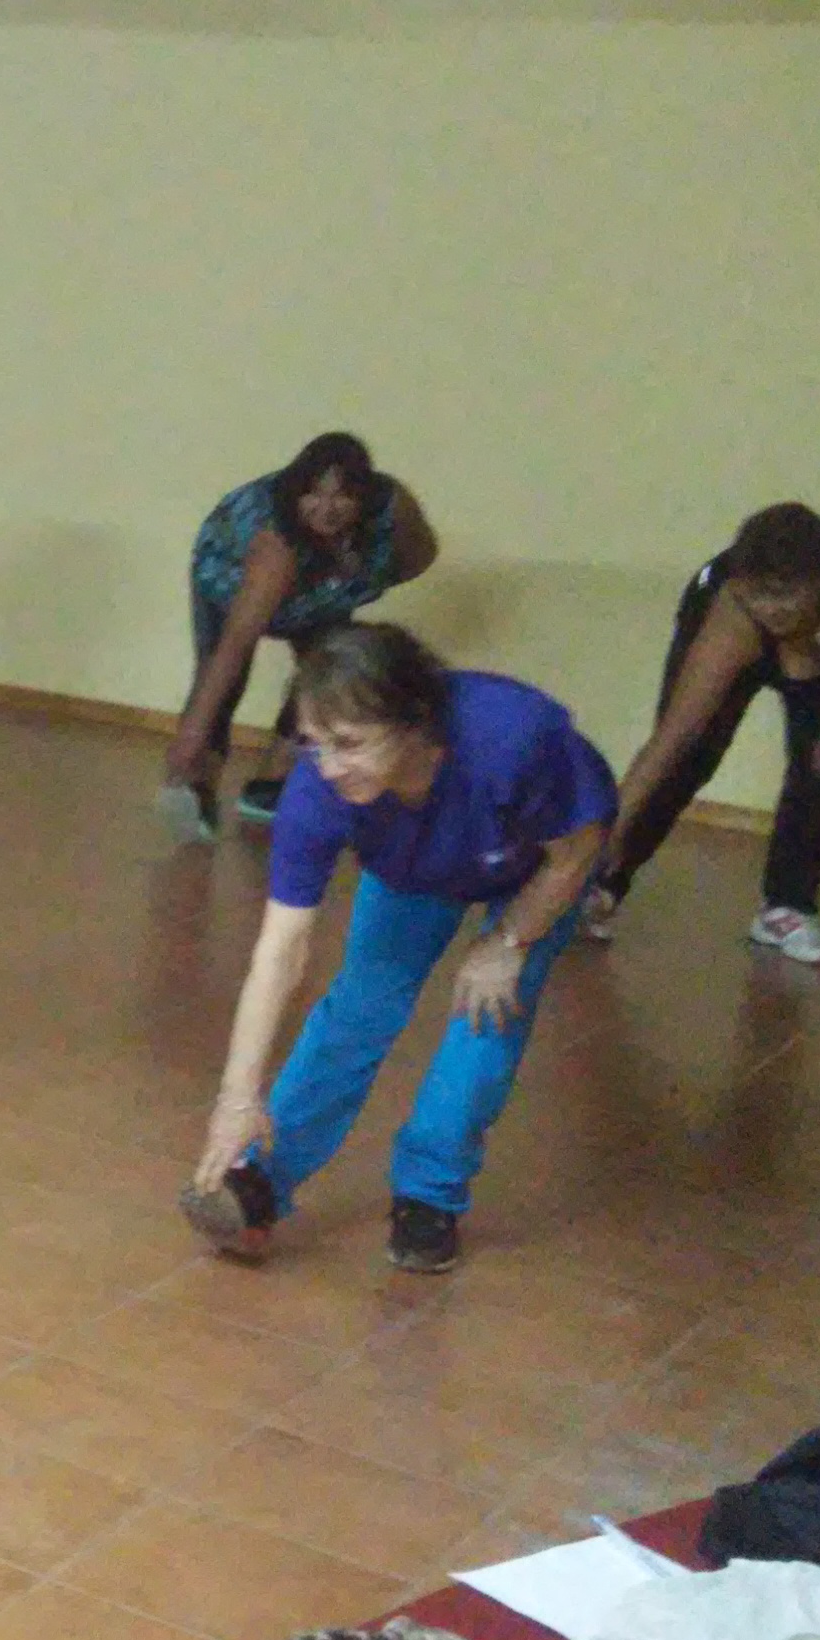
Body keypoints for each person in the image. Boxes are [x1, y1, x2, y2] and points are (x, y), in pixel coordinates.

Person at [182, 624, 613, 1278]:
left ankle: (428, 1196)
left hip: (534, 873)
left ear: (415, 723)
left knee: (487, 1011)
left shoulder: (513, 740)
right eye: (313, 742)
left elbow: (576, 850)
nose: (329, 766)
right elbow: (280, 949)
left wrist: (508, 941)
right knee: (360, 1007)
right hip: (414, 866)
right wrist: (237, 1098)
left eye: (350, 744)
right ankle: (262, 1179)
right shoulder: (318, 792)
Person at [590, 505, 820, 968]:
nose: (771, 609)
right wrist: (608, 832)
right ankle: (602, 885)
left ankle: (787, 908)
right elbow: (674, 735)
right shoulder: (734, 610)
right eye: (758, 595)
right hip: (732, 635)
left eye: (785, 594)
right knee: (690, 755)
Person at [162, 432, 438, 839]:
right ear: (296, 494)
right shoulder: (276, 541)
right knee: (223, 679)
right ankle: (198, 784)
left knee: (326, 672)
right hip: (230, 583)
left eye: (343, 496)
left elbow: (421, 555)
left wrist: (362, 578)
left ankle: (272, 782)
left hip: (322, 589)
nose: (327, 508)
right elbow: (235, 646)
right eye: (314, 494)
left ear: (363, 497)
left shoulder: (391, 507)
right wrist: (190, 737)